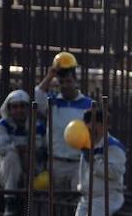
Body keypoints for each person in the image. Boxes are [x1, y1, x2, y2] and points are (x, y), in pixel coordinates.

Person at [62, 107, 125, 216]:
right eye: (89, 124)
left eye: (97, 124)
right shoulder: (86, 144)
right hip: (87, 197)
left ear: (104, 126)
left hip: (106, 196)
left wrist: (94, 162)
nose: (92, 129)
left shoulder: (113, 146)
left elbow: (115, 172)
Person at [34, 51, 93, 190]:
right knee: (55, 205)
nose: (65, 85)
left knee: (76, 202)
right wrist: (50, 75)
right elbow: (37, 97)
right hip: (56, 162)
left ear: (75, 81)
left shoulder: (88, 104)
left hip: (78, 163)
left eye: (69, 81)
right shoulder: (52, 103)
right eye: (61, 82)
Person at [0, 89, 46, 216]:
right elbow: (2, 148)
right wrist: (23, 149)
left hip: (32, 170)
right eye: (15, 107)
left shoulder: (38, 126)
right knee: (11, 155)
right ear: (9, 108)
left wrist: (23, 149)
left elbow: (42, 150)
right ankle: (10, 200)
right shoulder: (3, 125)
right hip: (8, 172)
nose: (19, 110)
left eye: (22, 106)